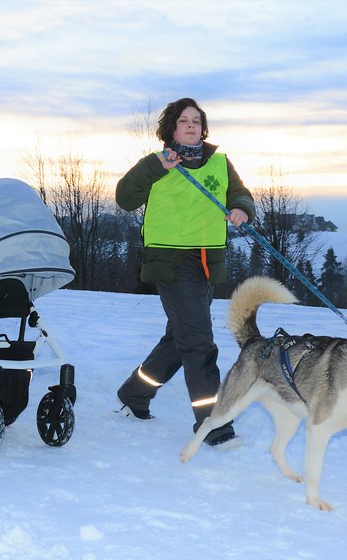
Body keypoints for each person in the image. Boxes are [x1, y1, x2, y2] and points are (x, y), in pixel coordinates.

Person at [115, 97, 255, 447]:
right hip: (171, 262)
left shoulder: (220, 163)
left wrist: (241, 210)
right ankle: (214, 424)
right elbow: (124, 198)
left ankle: (134, 394)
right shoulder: (158, 164)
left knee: (179, 340)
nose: (191, 125)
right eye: (183, 121)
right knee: (197, 342)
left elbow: (241, 195)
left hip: (208, 261)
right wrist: (155, 167)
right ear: (171, 129)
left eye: (196, 120)